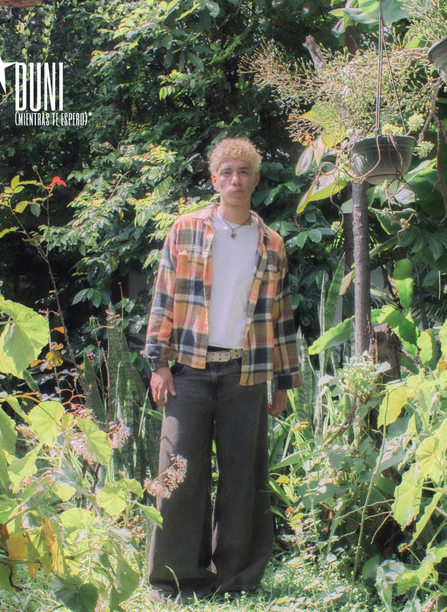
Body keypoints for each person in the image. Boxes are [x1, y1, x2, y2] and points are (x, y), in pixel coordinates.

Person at [142, 137, 301, 600]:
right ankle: (174, 580)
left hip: (245, 375)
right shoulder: (186, 230)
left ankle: (235, 579)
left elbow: (281, 316)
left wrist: (284, 381)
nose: (236, 180)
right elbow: (163, 296)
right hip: (188, 372)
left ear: (255, 179)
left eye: (244, 172)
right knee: (177, 475)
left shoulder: (272, 244)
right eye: (227, 172)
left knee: (242, 478)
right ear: (215, 180)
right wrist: (158, 363)